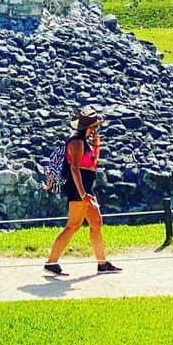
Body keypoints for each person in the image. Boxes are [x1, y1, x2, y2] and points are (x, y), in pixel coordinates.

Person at [44, 110, 121, 276]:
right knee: (73, 226)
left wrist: (96, 144)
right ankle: (51, 262)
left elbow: (93, 163)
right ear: (89, 127)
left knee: (95, 223)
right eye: (94, 127)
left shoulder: (84, 142)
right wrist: (82, 193)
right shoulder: (77, 142)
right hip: (79, 190)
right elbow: (75, 168)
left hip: (85, 189)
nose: (96, 130)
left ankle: (102, 263)